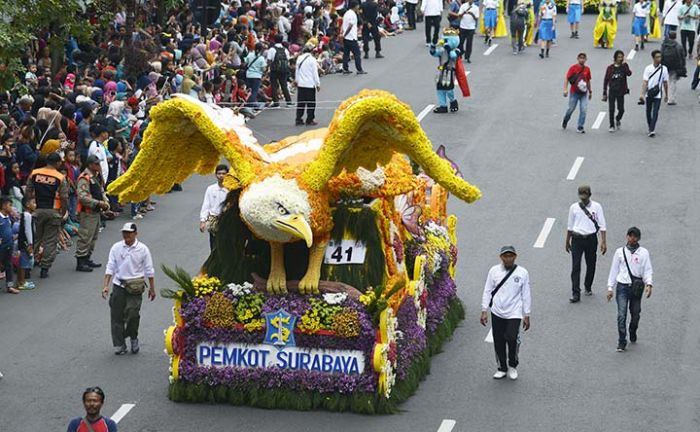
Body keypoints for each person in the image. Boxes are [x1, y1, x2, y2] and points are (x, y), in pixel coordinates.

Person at [103, 223, 155, 355]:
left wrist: (152, 288)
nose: (126, 236)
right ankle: (120, 344)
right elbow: (110, 267)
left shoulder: (143, 249)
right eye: (124, 233)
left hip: (135, 286)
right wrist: (106, 285)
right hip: (119, 285)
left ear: (135, 234)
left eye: (129, 233)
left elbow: (149, 270)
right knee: (116, 315)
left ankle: (133, 337)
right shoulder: (116, 248)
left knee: (133, 313)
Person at [480, 246, 531, 380]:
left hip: (514, 312)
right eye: (505, 256)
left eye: (511, 256)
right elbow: (487, 290)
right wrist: (484, 310)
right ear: (501, 257)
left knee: (512, 338)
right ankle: (502, 367)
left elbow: (526, 294)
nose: (508, 259)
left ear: (515, 257)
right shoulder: (494, 271)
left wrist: (527, 314)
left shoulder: (522, 273)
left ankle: (513, 365)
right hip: (497, 311)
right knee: (499, 340)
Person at [606, 227, 653, 352]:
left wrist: (649, 284)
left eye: (635, 236)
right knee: (621, 315)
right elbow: (614, 270)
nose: (632, 239)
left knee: (635, 314)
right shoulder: (619, 252)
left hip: (636, 288)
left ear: (638, 238)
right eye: (630, 236)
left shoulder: (644, 253)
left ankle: (633, 329)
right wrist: (610, 287)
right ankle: (622, 341)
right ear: (627, 236)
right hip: (622, 287)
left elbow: (647, 270)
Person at [25, 152, 69, 279]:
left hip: (36, 210)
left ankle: (28, 266)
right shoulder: (60, 177)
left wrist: (28, 206)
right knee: (50, 241)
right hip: (53, 211)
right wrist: (63, 211)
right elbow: (64, 197)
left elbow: (28, 191)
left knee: (34, 238)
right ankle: (44, 268)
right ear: (57, 163)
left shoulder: (35, 173)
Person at [565, 185, 607, 303]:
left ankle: (588, 286)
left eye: (585, 196)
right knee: (576, 266)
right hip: (577, 239)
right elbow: (570, 226)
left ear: (589, 195)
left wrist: (603, 242)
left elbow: (602, 225)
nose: (583, 198)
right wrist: (567, 241)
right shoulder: (573, 207)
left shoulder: (597, 207)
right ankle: (575, 293)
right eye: (581, 196)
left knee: (591, 264)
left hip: (591, 239)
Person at [75, 155, 110, 272]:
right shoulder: (84, 178)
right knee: (85, 237)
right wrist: (99, 203)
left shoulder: (96, 177)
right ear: (90, 165)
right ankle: (81, 261)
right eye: (96, 164)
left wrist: (105, 203)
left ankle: (87, 258)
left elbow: (101, 191)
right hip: (87, 213)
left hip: (96, 212)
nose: (99, 166)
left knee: (93, 237)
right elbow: (83, 197)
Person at [639, 49, 669, 137]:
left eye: (660, 57)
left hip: (658, 94)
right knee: (648, 111)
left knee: (655, 112)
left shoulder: (664, 69)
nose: (659, 59)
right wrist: (642, 94)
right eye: (657, 57)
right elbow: (645, 82)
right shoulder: (648, 68)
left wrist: (667, 95)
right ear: (653, 58)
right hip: (649, 93)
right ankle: (650, 126)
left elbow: (665, 83)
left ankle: (652, 129)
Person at [199, 164, 229, 250]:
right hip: (214, 220)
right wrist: (203, 221)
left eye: (223, 174)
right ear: (215, 175)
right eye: (219, 173)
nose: (221, 176)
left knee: (225, 244)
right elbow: (206, 205)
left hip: (226, 220)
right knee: (214, 244)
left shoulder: (230, 189)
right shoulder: (210, 189)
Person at [562, 53, 593, 133]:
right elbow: (567, 79)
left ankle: (580, 126)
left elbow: (588, 80)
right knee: (571, 109)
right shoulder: (573, 68)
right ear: (578, 59)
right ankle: (566, 119)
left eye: (583, 58)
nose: (582, 60)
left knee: (584, 109)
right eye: (580, 58)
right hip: (574, 92)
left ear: (586, 59)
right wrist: (565, 89)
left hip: (583, 93)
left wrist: (590, 91)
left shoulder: (587, 69)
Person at [602, 50, 632, 132]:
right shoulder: (610, 68)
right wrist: (604, 92)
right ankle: (611, 125)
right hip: (612, 91)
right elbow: (606, 80)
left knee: (621, 109)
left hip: (621, 91)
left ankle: (618, 118)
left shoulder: (624, 67)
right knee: (611, 109)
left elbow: (629, 73)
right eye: (619, 57)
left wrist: (625, 64)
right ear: (615, 58)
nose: (620, 58)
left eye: (622, 57)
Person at [294, 43, 321, 126]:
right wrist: (318, 84)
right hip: (310, 84)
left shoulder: (299, 58)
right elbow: (315, 73)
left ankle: (298, 119)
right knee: (311, 103)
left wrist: (296, 81)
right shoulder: (312, 60)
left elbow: (297, 71)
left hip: (301, 84)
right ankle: (309, 119)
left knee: (300, 103)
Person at [661, 31, 687, 105]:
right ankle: (671, 99)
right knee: (673, 81)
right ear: (675, 36)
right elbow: (682, 57)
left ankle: (665, 94)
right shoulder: (678, 46)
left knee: (666, 80)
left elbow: (661, 54)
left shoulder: (664, 45)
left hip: (665, 65)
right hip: (675, 66)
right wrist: (683, 66)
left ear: (668, 36)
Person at [267, 34, 293, 108]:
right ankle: (289, 102)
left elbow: (269, 60)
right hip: (283, 70)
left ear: (274, 40)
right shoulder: (285, 49)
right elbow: (287, 59)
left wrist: (268, 68)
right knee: (284, 85)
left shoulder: (272, 49)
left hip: (274, 70)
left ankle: (276, 103)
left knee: (274, 86)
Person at [17, 196, 36, 291]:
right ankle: (22, 282)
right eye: (33, 202)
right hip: (26, 243)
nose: (35, 205)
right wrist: (30, 244)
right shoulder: (27, 216)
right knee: (24, 263)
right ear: (28, 205)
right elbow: (28, 230)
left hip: (23, 242)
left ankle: (20, 281)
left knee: (23, 262)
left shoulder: (25, 214)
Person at [342, 1, 366, 74]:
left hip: (346, 38)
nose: (358, 7)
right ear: (355, 6)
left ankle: (345, 68)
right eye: (358, 6)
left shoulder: (347, 13)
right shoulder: (352, 14)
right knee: (357, 54)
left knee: (346, 53)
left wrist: (343, 35)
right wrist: (345, 34)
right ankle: (359, 69)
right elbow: (350, 25)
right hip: (351, 37)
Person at [0, 197, 18, 294]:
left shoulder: (9, 218)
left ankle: (9, 286)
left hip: (9, 245)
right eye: (9, 205)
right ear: (3, 206)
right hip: (1, 246)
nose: (11, 208)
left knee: (8, 265)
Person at [245, 43, 267, 109]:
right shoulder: (261, 58)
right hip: (257, 76)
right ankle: (251, 104)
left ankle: (247, 102)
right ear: (261, 50)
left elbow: (246, 62)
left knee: (249, 90)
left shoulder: (250, 55)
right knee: (254, 91)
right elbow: (263, 69)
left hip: (248, 75)